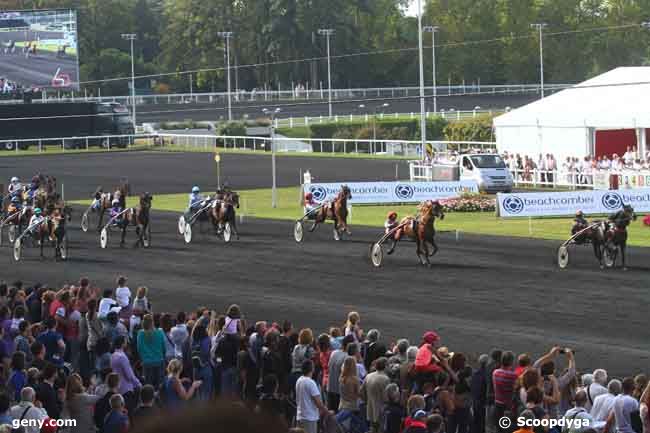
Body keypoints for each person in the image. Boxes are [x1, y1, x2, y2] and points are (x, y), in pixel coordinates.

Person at [295, 360, 328, 433]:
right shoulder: (311, 383)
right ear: (312, 369)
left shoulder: (299, 380)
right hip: (309, 418)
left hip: (300, 416)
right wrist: (327, 411)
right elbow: (318, 403)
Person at [361, 357, 390, 433]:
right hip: (381, 410)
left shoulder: (368, 376)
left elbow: (361, 392)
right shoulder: (385, 379)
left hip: (370, 408)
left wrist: (367, 401)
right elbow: (386, 397)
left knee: (372, 429)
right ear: (385, 366)